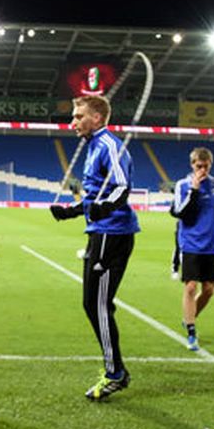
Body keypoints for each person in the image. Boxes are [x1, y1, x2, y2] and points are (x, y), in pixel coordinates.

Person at [49, 94, 139, 401]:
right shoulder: (93, 147)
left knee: (97, 304)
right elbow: (95, 197)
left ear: (97, 118)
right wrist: (72, 211)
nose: (72, 122)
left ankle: (116, 374)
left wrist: (103, 208)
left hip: (111, 235)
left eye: (78, 116)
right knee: (94, 303)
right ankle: (115, 369)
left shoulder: (109, 145)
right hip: (101, 232)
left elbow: (122, 189)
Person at [170, 147, 214, 351]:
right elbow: (180, 213)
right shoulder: (182, 185)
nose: (202, 169)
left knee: (209, 290)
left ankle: (189, 317)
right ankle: (192, 331)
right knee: (191, 287)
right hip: (191, 243)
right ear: (192, 165)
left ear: (210, 165)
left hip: (213, 245)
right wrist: (193, 190)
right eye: (198, 166)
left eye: (206, 166)